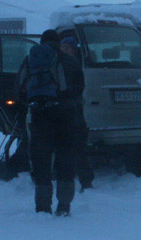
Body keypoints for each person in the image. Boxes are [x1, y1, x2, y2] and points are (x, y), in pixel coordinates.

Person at [15, 29, 85, 216]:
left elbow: (20, 88)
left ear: (42, 42)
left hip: (40, 116)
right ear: (58, 41)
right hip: (66, 117)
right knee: (65, 161)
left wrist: (31, 103)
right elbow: (79, 88)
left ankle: (42, 208)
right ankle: (64, 206)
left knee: (41, 161)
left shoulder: (30, 60)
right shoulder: (69, 61)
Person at [58, 32, 93, 192]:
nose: (65, 50)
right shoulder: (69, 63)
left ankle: (83, 181)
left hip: (68, 109)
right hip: (71, 109)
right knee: (76, 146)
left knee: (75, 146)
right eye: (62, 47)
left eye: (67, 47)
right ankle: (81, 180)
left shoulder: (73, 64)